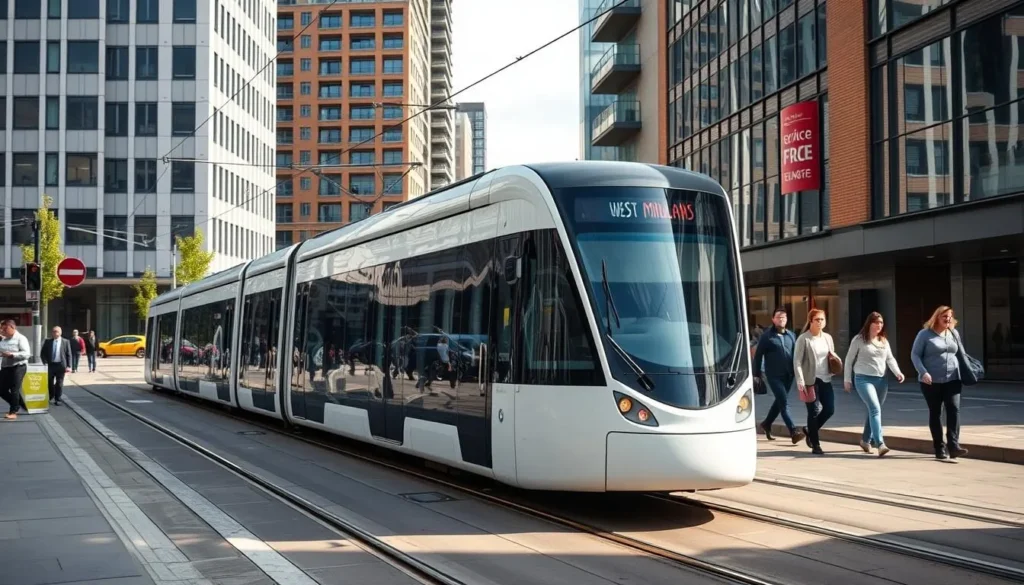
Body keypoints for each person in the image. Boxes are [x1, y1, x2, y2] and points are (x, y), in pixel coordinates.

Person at [911, 305, 969, 460]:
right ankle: (939, 448)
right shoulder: (925, 334)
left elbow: (960, 353)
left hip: (953, 378)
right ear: (937, 318)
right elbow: (915, 355)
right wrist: (923, 372)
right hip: (931, 380)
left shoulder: (953, 333)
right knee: (936, 412)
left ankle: (954, 446)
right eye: (944, 316)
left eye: (950, 317)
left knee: (954, 409)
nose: (948, 319)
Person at [844, 312, 905, 457]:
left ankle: (865, 441)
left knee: (873, 410)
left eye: (881, 323)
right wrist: (847, 379)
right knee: (875, 409)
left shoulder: (883, 341)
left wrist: (898, 372)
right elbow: (849, 360)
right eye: (876, 322)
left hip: (881, 380)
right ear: (869, 323)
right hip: (863, 379)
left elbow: (890, 359)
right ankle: (880, 443)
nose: (879, 325)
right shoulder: (859, 339)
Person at [752, 308, 805, 444]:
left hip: (789, 375)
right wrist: (756, 374)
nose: (781, 319)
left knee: (780, 401)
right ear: (773, 319)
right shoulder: (767, 336)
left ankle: (766, 423)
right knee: (784, 401)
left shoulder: (791, 335)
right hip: (773, 375)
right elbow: (758, 356)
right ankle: (793, 431)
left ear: (787, 320)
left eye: (784, 317)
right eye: (778, 317)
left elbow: (796, 355)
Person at [794, 309, 840, 455]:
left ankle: (809, 430)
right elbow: (797, 361)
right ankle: (816, 444)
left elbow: (831, 355)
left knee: (829, 409)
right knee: (813, 411)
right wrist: (800, 380)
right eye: (817, 319)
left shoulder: (827, 338)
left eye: (822, 319)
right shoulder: (804, 339)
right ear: (811, 321)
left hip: (825, 378)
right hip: (810, 380)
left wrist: (836, 361)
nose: (820, 322)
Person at [0, 320, 31, 420]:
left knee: (14, 389)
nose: (3, 331)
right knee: (1, 389)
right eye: (2, 329)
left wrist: (12, 355)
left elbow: (27, 354)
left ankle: (13, 411)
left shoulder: (21, 338)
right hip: (6, 367)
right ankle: (17, 404)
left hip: (18, 366)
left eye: (5, 329)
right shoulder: (4, 340)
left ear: (12, 327)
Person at [41, 326, 73, 406]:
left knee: (59, 383)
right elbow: (43, 353)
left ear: (60, 333)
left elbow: (69, 354)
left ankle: (58, 399)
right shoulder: (48, 341)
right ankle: (51, 395)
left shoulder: (65, 342)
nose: (55, 333)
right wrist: (45, 362)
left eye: (56, 331)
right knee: (49, 382)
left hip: (61, 365)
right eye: (53, 331)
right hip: (50, 365)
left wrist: (69, 366)